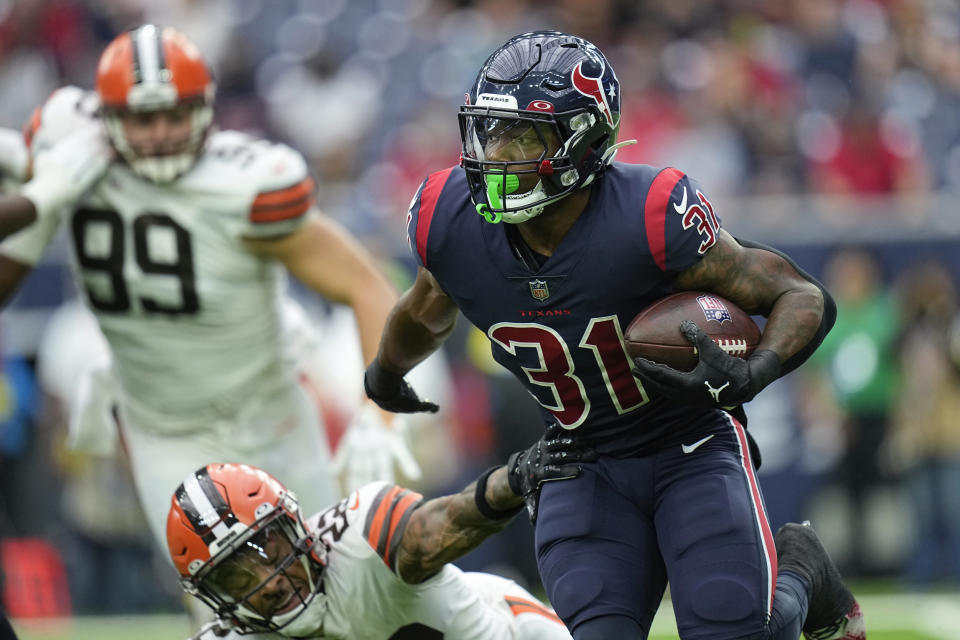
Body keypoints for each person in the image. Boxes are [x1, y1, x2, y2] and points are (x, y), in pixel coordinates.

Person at [362, 31, 864, 640]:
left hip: (690, 446)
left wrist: (756, 370)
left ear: (585, 140)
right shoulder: (451, 223)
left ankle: (803, 574)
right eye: (490, 132)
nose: (497, 155)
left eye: (524, 136)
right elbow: (424, 310)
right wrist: (386, 373)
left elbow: (801, 295)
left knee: (733, 630)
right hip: (580, 460)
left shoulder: (649, 215)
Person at [0, 25, 411, 558]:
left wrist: (377, 416)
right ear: (107, 118)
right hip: (162, 429)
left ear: (207, 109)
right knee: (224, 602)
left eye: (177, 113)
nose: (163, 132)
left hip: (271, 417)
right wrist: (41, 196)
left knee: (331, 579)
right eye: (144, 118)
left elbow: (366, 286)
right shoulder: (70, 157)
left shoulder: (245, 180)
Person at [166, 426, 590, 639]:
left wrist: (508, 482)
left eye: (269, 550)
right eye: (238, 577)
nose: (271, 581)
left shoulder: (359, 540)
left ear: (295, 527)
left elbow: (439, 527)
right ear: (215, 598)